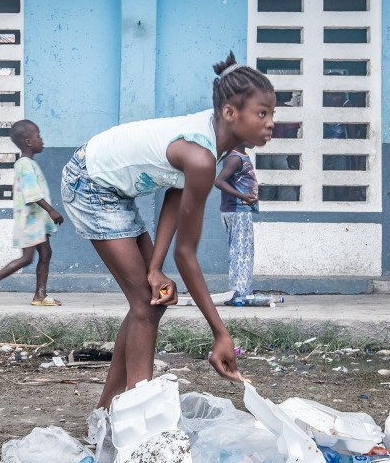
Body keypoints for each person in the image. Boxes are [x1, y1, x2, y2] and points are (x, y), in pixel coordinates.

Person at [61, 53, 273, 410]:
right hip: (90, 182)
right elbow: (186, 255)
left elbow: (176, 192)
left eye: (272, 114)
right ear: (230, 114)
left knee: (152, 298)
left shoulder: (215, 146)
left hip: (113, 188)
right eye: (263, 113)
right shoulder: (203, 156)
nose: (271, 124)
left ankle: (104, 413)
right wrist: (220, 333)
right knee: (146, 302)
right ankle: (140, 422)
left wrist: (155, 267)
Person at [0, 120, 64, 306]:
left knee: (46, 253)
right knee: (26, 258)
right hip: (29, 221)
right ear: (28, 142)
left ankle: (40, 295)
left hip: (37, 221)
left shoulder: (29, 163)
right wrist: (51, 210)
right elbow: (32, 193)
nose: (42, 140)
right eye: (38, 136)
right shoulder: (24, 164)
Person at [214, 144, 259, 302]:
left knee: (242, 252)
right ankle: (240, 293)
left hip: (239, 210)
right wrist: (243, 197)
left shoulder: (240, 155)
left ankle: (241, 291)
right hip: (238, 211)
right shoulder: (235, 158)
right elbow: (219, 182)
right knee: (241, 253)